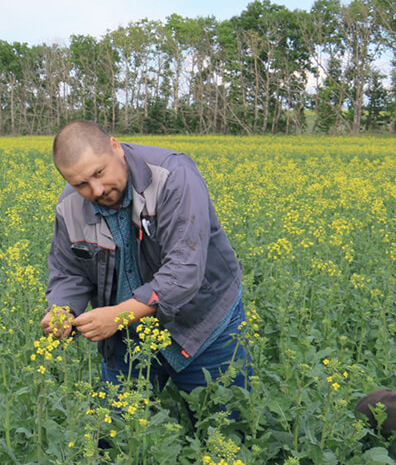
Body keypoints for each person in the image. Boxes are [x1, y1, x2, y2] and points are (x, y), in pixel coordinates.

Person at [40, 120, 250, 408]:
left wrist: (118, 316)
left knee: (225, 424)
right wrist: (62, 308)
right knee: (120, 437)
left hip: (202, 326)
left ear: (115, 146)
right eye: (81, 184)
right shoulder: (69, 207)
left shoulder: (173, 176)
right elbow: (69, 271)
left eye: (99, 173)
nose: (97, 189)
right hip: (128, 339)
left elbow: (184, 269)